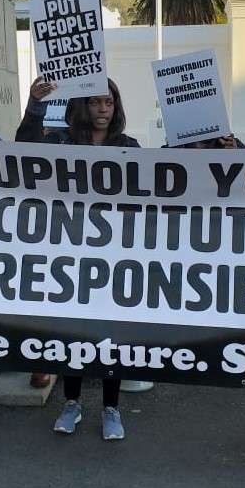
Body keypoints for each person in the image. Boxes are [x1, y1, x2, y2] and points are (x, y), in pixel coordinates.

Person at [17, 77, 145, 439]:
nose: (103, 109)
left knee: (111, 336)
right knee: (72, 333)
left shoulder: (128, 146)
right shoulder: (62, 142)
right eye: (95, 103)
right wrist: (35, 105)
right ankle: (71, 403)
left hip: (115, 257)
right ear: (81, 107)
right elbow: (25, 148)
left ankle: (111, 409)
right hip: (70, 254)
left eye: (109, 103)